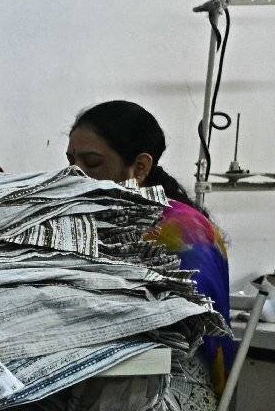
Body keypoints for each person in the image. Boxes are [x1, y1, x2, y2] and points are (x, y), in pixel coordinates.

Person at [67, 100, 234, 391]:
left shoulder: (183, 229)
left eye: (92, 163)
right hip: (112, 367)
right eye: (71, 161)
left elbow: (189, 320)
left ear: (141, 167)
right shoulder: (89, 220)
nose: (75, 174)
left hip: (179, 376)